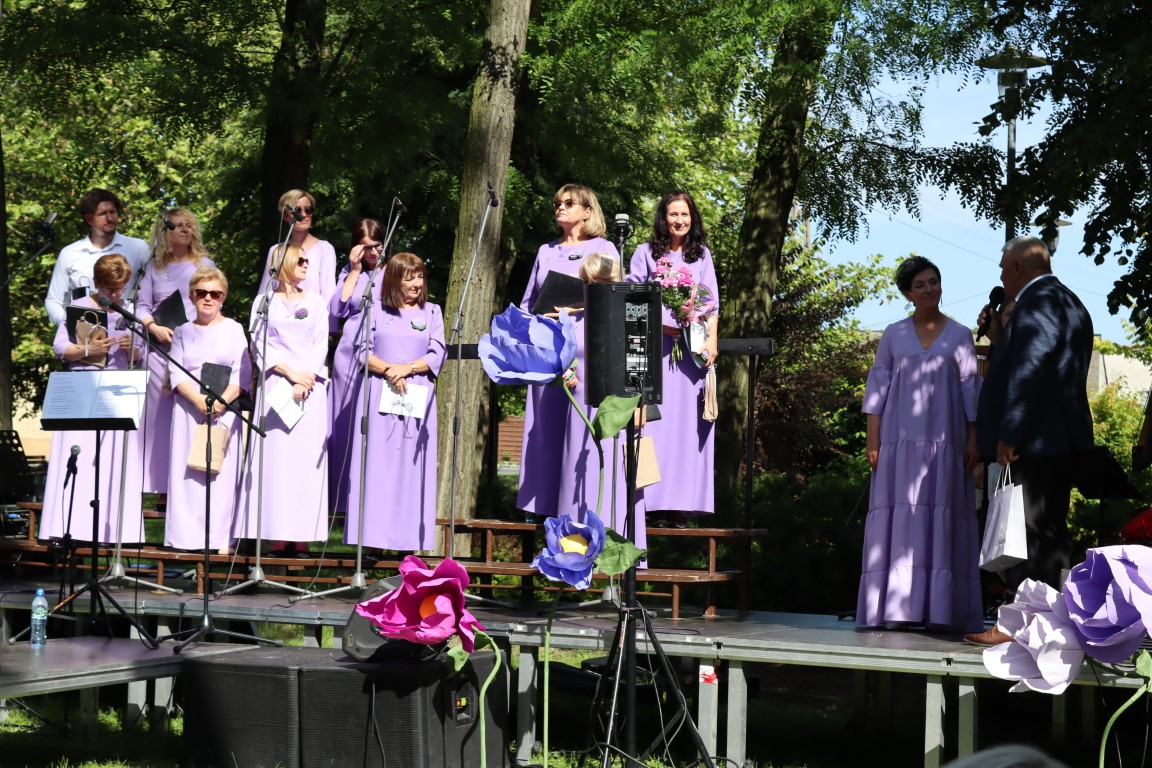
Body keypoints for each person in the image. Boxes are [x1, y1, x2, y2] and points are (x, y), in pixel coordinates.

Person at [965, 236, 1094, 646]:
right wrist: (999, 335)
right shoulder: (1070, 303)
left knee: (1025, 533)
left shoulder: (1037, 304)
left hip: (1032, 444)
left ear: (1018, 268)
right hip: (1058, 442)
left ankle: (1017, 626)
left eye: (1004, 269)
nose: (1002, 277)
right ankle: (1048, 626)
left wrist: (1010, 435)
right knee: (1047, 532)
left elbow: (1031, 372)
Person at [855, 256, 983, 633]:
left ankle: (940, 612)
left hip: (947, 446)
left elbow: (971, 392)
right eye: (920, 285)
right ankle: (896, 610)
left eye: (934, 281)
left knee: (943, 519)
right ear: (908, 293)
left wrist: (974, 441)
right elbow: (877, 388)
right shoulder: (893, 334)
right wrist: (873, 440)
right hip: (898, 446)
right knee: (901, 520)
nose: (929, 289)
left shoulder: (960, 335)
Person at [517, 184, 620, 519]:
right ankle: (542, 505)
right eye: (557, 203)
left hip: (586, 353)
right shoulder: (545, 251)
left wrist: (574, 311)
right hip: (548, 351)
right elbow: (529, 302)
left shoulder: (604, 248)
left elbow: (613, 299)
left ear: (588, 211)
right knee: (545, 428)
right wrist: (533, 323)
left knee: (579, 429)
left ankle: (580, 509)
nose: (560, 207)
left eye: (569, 203)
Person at [626, 189, 719, 524]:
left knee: (686, 428)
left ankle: (680, 504)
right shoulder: (645, 253)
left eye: (685, 214)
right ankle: (649, 503)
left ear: (692, 218)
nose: (679, 220)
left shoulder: (701, 255)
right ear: (663, 218)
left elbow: (711, 305)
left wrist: (712, 342)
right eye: (673, 214)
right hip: (653, 351)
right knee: (654, 426)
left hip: (690, 354)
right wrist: (660, 321)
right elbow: (631, 298)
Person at [39, 254, 146, 544]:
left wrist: (132, 348)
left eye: (121, 288)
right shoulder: (79, 307)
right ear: (97, 283)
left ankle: (112, 531)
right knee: (81, 456)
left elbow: (141, 356)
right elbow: (60, 348)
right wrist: (88, 349)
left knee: (111, 459)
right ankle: (71, 526)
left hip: (115, 391)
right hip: (83, 388)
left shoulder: (129, 312)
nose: (117, 294)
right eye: (111, 288)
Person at [343, 252, 445, 552]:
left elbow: (437, 353)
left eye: (420, 276)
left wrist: (407, 368)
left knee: (411, 467)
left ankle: (408, 543)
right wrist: (390, 370)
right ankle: (372, 540)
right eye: (409, 278)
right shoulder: (375, 309)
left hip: (416, 394)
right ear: (394, 280)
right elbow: (362, 351)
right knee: (377, 466)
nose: (416, 284)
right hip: (380, 394)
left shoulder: (432, 312)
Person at [237, 244, 330, 556]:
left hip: (311, 387)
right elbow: (259, 342)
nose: (306, 264)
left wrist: (307, 376)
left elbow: (321, 343)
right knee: (276, 463)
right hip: (277, 384)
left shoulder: (316, 302)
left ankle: (303, 535)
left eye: (307, 260)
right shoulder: (264, 302)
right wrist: (290, 374)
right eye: (300, 260)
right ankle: (276, 533)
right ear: (284, 263)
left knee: (305, 463)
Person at [553, 253, 647, 553]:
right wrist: (567, 371)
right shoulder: (573, 320)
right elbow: (564, 358)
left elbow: (640, 366)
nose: (592, 287)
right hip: (580, 410)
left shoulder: (630, 317)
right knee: (576, 479)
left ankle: (615, 555)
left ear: (615, 281)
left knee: (616, 480)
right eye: (587, 282)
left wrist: (641, 406)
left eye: (600, 281)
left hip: (619, 409)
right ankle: (574, 556)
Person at [165, 267, 249, 552]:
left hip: (223, 413)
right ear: (192, 296)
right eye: (202, 293)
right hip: (189, 411)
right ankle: (185, 539)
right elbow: (175, 372)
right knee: (187, 475)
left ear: (223, 297)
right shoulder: (182, 331)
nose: (208, 298)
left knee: (220, 476)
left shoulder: (234, 329)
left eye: (215, 293)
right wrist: (198, 401)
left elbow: (241, 372)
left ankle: (220, 539)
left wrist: (220, 403)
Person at [135, 209, 215, 495]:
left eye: (188, 225)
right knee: (159, 422)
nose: (184, 229)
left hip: (194, 351)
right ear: (164, 231)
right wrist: (152, 326)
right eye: (177, 225)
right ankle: (160, 489)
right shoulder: (154, 268)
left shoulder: (203, 264)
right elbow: (141, 306)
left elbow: (214, 301)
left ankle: (188, 486)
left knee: (189, 417)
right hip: (160, 352)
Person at [327, 219, 386, 517]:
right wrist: (354, 270)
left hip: (380, 355)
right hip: (349, 356)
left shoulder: (393, 271)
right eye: (366, 247)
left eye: (377, 246)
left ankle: (370, 499)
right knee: (344, 425)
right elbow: (337, 308)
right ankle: (340, 501)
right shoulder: (351, 272)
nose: (373, 252)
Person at [44, 189, 150, 326]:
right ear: (89, 219)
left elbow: (154, 290)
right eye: (102, 214)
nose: (110, 218)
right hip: (83, 334)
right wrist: (70, 326)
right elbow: (53, 301)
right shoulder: (69, 253)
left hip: (127, 333)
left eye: (112, 212)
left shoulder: (138, 247)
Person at [257, 189, 337, 318]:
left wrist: (329, 326)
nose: (304, 215)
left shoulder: (324, 249)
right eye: (298, 210)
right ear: (285, 216)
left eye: (308, 210)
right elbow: (265, 291)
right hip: (279, 321)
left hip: (312, 320)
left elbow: (329, 294)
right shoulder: (276, 250)